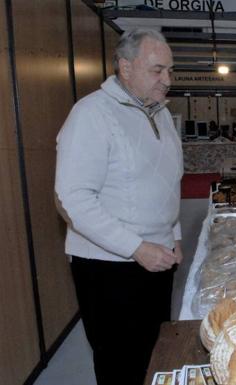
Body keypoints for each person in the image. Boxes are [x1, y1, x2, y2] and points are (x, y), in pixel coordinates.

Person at [55, 28, 183, 385]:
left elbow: (167, 181)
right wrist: (136, 248)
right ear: (125, 68)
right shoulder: (91, 114)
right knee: (120, 362)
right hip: (110, 267)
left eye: (170, 71)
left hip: (158, 257)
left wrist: (174, 234)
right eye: (158, 70)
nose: (167, 80)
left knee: (156, 352)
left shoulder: (158, 113)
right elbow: (73, 198)